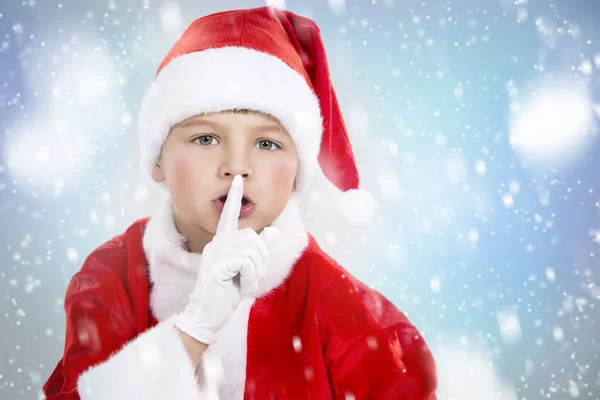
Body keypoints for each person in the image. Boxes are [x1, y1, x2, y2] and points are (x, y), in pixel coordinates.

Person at [42, 6, 438, 400]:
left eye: (267, 143)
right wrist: (194, 328)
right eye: (205, 139)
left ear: (298, 171)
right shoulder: (112, 275)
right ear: (157, 158)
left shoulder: (338, 305)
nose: (236, 167)